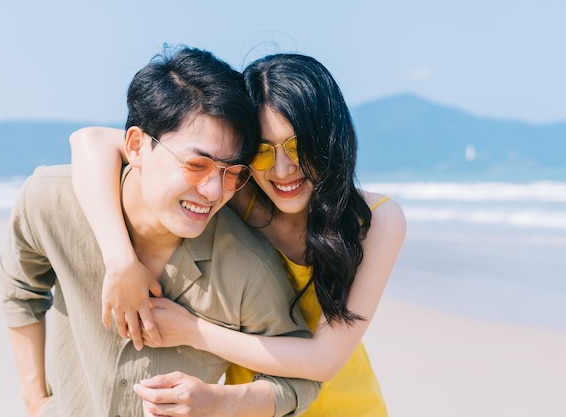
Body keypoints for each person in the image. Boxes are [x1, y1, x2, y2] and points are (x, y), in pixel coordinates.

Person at [70, 53, 406, 416]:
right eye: (262, 152)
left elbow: (323, 361)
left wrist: (190, 330)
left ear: (328, 138)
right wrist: (119, 260)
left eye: (298, 147)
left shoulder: (373, 220)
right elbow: (91, 142)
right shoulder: (232, 190)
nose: (282, 169)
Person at [0, 46, 320, 417]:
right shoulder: (48, 201)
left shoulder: (247, 266)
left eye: (231, 172)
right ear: (136, 146)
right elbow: (18, 288)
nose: (214, 192)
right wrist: (35, 400)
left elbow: (301, 379)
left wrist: (219, 403)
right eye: (196, 164)